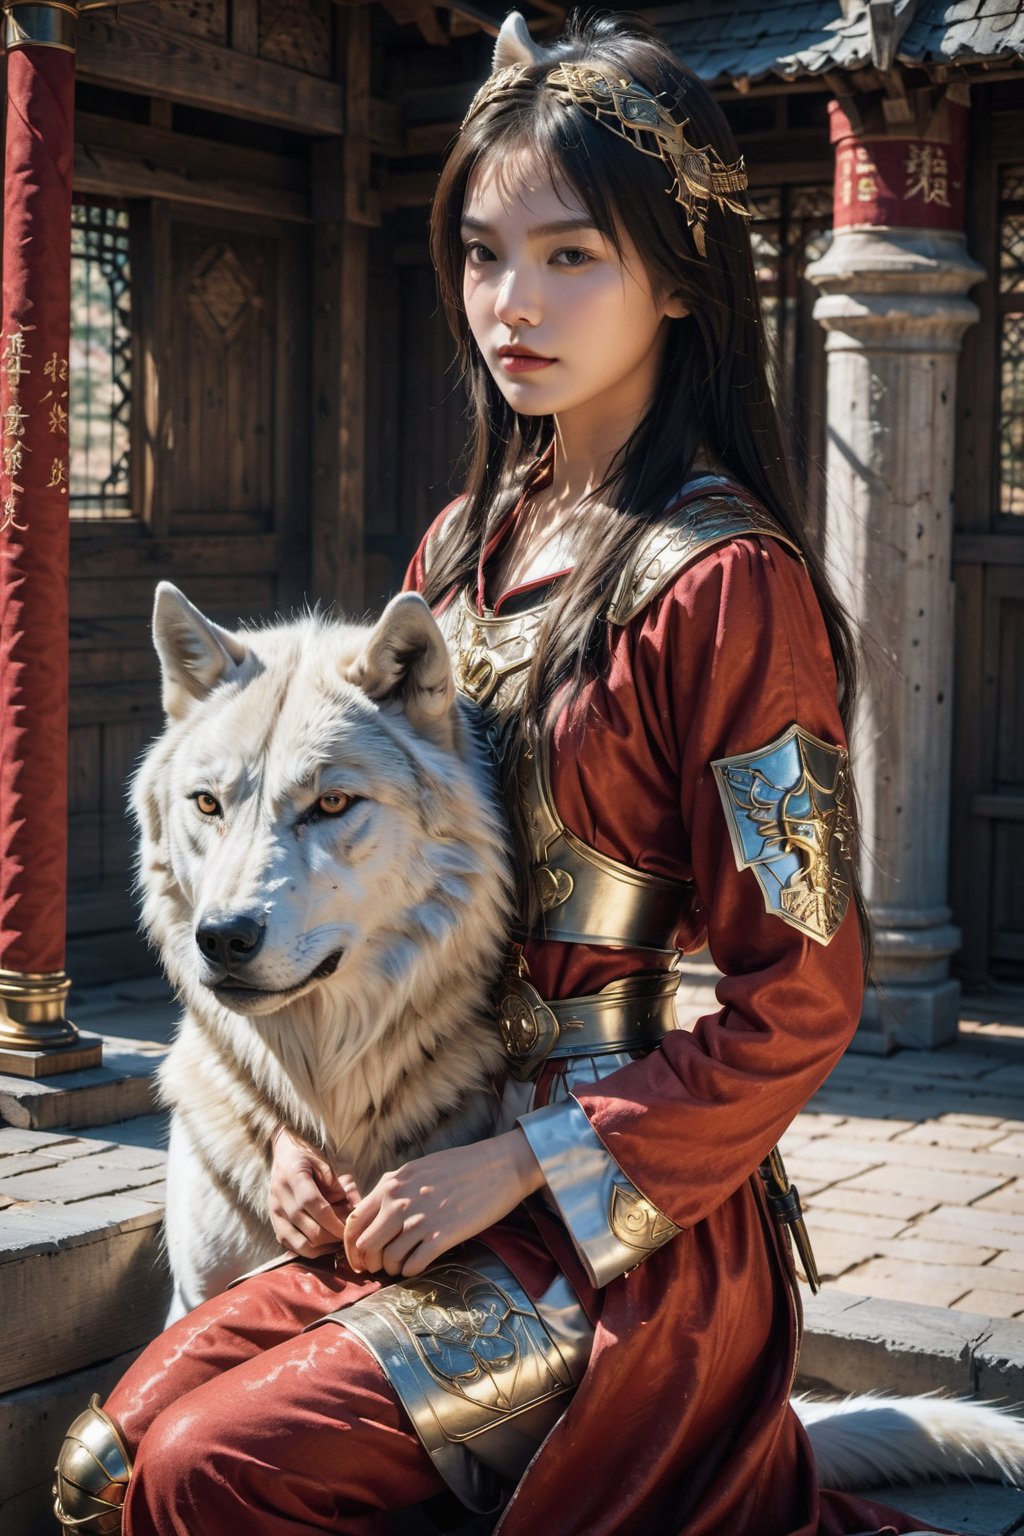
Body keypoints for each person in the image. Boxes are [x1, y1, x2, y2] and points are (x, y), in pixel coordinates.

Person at [53, 11, 946, 1535]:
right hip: (412, 1161)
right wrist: (299, 1150)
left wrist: (520, 1170)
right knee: (103, 1467)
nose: (509, 302)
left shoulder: (729, 585)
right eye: (480, 252)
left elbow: (803, 1001)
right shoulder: (461, 553)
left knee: (216, 1468)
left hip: (613, 1240)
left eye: (571, 256)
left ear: (677, 279)